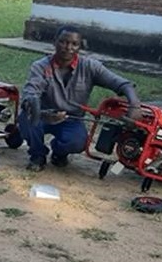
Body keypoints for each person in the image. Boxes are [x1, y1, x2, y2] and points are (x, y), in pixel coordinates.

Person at [19, 26, 142, 171]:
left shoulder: (90, 66)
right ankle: (37, 155)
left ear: (80, 47)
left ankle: (59, 153)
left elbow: (123, 84)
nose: (68, 47)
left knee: (77, 142)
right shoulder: (40, 66)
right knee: (27, 120)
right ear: (55, 42)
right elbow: (30, 93)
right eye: (63, 42)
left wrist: (134, 106)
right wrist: (41, 111)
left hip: (71, 119)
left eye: (74, 44)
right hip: (43, 114)